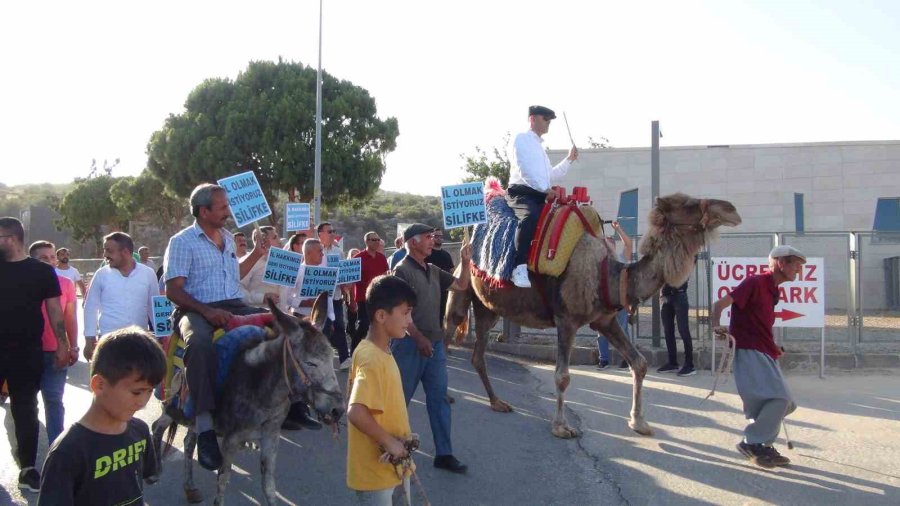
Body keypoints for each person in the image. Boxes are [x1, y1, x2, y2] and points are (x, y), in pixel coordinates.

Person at [162, 183, 268, 471]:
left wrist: (257, 254)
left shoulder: (227, 238)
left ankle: (287, 402)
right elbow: (173, 290)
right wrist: (207, 311)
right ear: (203, 211)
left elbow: (234, 276)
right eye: (222, 207)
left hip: (233, 303)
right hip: (194, 308)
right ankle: (205, 426)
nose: (228, 212)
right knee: (199, 345)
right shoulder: (182, 241)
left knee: (281, 327)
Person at [37, 327, 166, 506]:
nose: (143, 402)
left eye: (149, 391)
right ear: (99, 385)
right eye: (137, 392)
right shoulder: (67, 452)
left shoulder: (140, 431)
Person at [710, 245, 804, 469]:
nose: (798, 272)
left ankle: (764, 445)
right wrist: (716, 327)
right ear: (781, 263)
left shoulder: (774, 291)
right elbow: (719, 305)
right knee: (778, 399)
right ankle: (751, 442)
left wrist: (774, 347)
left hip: (765, 350)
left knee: (786, 404)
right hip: (750, 350)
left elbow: (759, 323)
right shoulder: (755, 282)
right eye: (796, 266)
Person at [391, 223, 472, 474]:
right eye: (427, 237)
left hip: (434, 344)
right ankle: (390, 447)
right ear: (412, 242)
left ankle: (444, 454)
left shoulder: (434, 270)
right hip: (408, 345)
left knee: (439, 401)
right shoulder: (400, 271)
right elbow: (401, 312)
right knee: (398, 400)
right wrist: (417, 338)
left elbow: (461, 285)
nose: (432, 240)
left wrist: (466, 261)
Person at [0, 217, 70, 492]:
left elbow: (55, 311)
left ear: (12, 238)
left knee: (25, 408)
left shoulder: (41, 272)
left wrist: (63, 344)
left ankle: (27, 469)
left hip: (26, 351)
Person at [347, 275, 417, 504]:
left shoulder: (381, 351)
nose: (409, 320)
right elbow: (356, 411)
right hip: (376, 473)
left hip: (394, 467)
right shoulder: (370, 358)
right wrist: (389, 442)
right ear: (381, 315)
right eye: (405, 313)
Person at [506, 105, 579, 288]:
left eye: (549, 120)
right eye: (545, 119)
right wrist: (544, 190)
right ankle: (519, 266)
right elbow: (525, 170)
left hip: (540, 194)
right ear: (532, 119)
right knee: (530, 217)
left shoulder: (540, 148)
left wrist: (569, 159)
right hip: (522, 193)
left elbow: (551, 176)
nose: (548, 123)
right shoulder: (520, 139)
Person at [29, 241, 79, 445]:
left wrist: (72, 346)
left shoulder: (66, 284)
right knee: (27, 404)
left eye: (52, 257)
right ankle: (28, 453)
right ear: (31, 260)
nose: (50, 262)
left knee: (54, 402)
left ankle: (56, 448)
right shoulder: (21, 283)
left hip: (55, 353)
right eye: (44, 258)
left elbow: (70, 318)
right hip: (27, 353)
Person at [82, 232, 159, 361]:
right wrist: (89, 339)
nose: (105, 255)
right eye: (105, 250)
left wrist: (163, 336)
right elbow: (90, 307)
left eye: (109, 251)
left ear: (125, 252)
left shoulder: (148, 274)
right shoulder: (101, 274)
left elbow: (155, 306)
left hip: (140, 342)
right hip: (108, 342)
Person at [595, 221, 632, 369]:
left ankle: (627, 358)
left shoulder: (621, 259)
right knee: (601, 331)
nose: (609, 243)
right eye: (606, 242)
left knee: (622, 330)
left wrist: (618, 230)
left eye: (611, 241)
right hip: (604, 304)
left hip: (619, 303)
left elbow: (629, 245)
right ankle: (603, 359)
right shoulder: (600, 263)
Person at [317, 222, 353, 370]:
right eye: (329, 231)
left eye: (333, 231)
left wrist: (346, 286)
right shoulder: (313, 250)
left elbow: (344, 273)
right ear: (320, 235)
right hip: (319, 298)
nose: (332, 234)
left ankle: (345, 359)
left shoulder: (338, 252)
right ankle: (322, 359)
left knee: (339, 325)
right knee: (323, 328)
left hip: (336, 296)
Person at [350, 232, 389, 354]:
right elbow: (351, 281)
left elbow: (385, 276)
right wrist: (351, 300)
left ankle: (375, 350)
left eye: (378, 240)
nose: (377, 242)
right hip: (363, 298)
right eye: (373, 240)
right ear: (366, 241)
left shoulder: (382, 258)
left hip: (379, 298)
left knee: (379, 325)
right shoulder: (357, 258)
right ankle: (354, 351)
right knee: (364, 325)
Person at [239, 226, 283, 310]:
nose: (279, 241)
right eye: (274, 238)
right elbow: (238, 289)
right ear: (262, 240)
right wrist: (261, 298)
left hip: (282, 317)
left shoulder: (284, 261)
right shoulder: (248, 262)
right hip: (258, 315)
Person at [657, 280, 696, 376]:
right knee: (668, 330)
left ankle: (689, 365)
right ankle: (672, 363)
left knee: (683, 330)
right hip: (665, 296)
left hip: (679, 295)